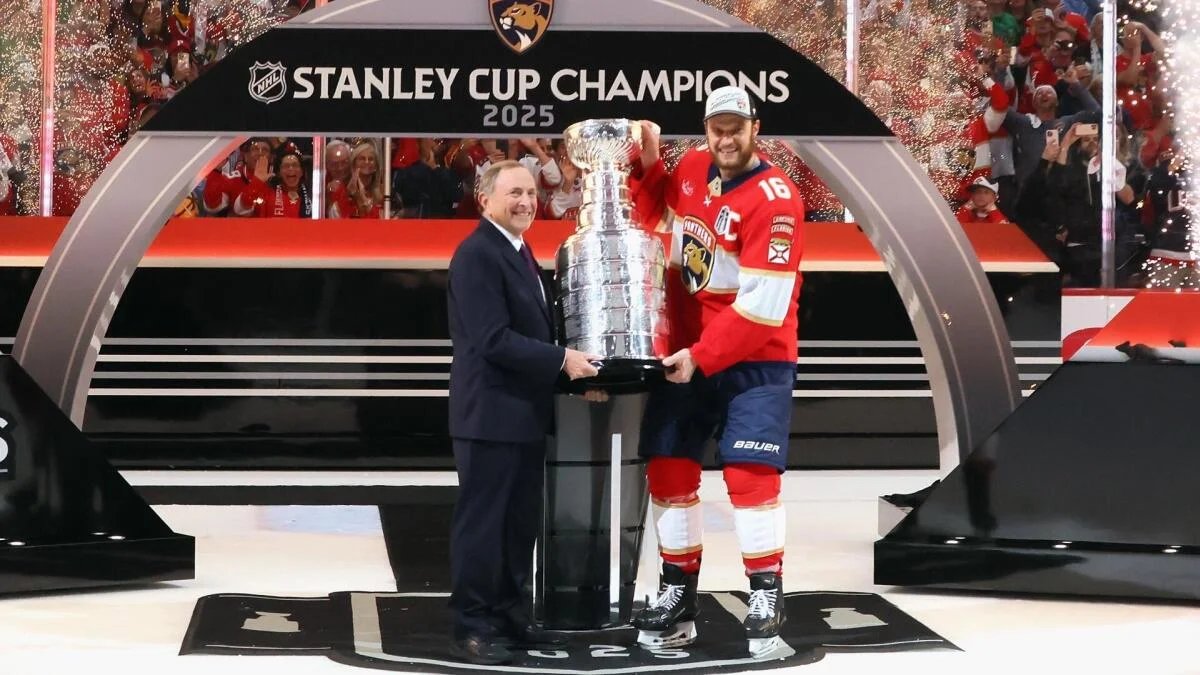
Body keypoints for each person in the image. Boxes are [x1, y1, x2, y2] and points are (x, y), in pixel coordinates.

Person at [629, 86, 805, 659]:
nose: (725, 139)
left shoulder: (776, 201)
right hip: (690, 353)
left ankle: (766, 592)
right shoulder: (692, 167)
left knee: (751, 476)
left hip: (755, 357)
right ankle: (677, 589)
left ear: (756, 128)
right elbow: (655, 218)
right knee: (668, 466)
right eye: (716, 128)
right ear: (706, 130)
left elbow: (763, 310)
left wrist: (701, 356)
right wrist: (647, 164)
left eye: (736, 127)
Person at [445, 160, 600, 665]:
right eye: (514, 193)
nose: (526, 202)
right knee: (483, 528)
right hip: (490, 418)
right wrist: (562, 361)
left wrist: (570, 381)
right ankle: (473, 626)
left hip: (523, 418)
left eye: (531, 193)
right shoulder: (477, 255)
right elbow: (492, 339)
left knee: (517, 528)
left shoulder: (520, 251)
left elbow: (534, 336)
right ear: (484, 199)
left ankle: (512, 618)